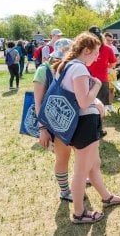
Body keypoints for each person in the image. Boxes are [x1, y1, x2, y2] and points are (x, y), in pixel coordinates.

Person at [51, 32, 120, 223]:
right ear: (86, 51)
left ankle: (106, 197)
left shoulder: (66, 66)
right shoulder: (79, 69)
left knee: (93, 165)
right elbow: (84, 101)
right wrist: (97, 85)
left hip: (79, 123)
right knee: (82, 170)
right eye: (95, 53)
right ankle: (79, 213)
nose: (97, 58)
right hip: (84, 123)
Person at [34, 38, 74, 202]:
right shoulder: (43, 70)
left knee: (79, 154)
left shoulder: (71, 67)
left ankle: (80, 179)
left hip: (72, 119)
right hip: (53, 121)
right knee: (63, 157)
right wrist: (43, 129)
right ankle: (64, 191)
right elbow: (38, 102)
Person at [87, 26, 117, 123]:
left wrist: (104, 66)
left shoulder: (107, 49)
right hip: (89, 79)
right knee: (94, 104)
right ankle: (95, 125)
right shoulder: (107, 49)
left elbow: (113, 63)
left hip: (99, 79)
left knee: (98, 105)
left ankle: (98, 126)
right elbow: (112, 64)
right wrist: (105, 65)